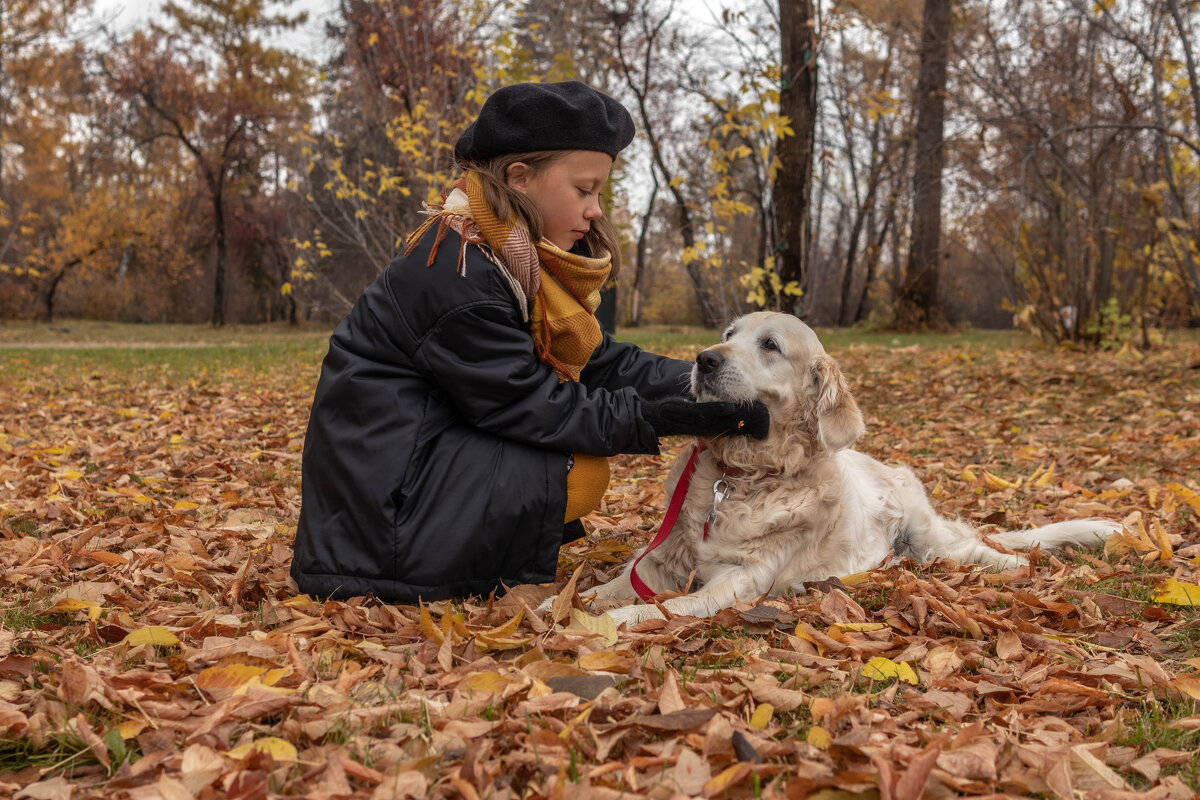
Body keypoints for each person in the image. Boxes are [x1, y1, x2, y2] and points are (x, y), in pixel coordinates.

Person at [291, 81, 769, 603]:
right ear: (520, 178)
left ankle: (481, 550)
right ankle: (449, 569)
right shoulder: (460, 273)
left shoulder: (505, 254)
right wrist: (673, 418)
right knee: (579, 471)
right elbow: (537, 406)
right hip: (381, 524)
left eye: (600, 192)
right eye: (584, 190)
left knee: (568, 462)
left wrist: (703, 381)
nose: (596, 211)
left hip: (406, 469)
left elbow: (597, 361)